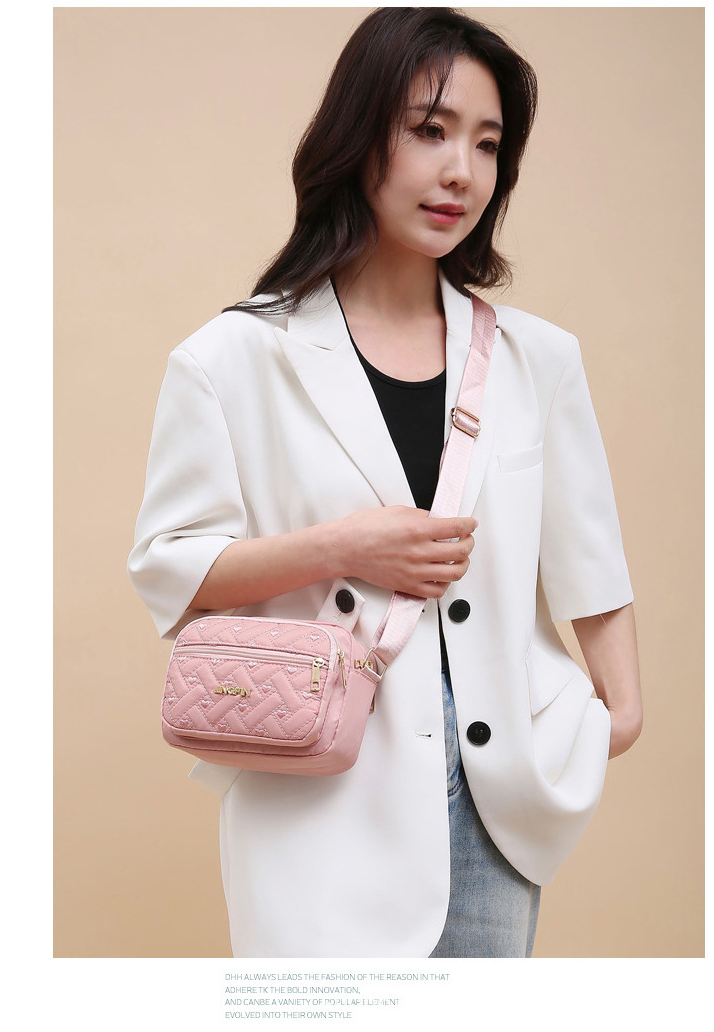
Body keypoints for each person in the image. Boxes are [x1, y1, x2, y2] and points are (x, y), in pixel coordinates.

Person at [128, 7, 642, 958]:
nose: (462, 172)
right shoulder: (232, 358)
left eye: (487, 145)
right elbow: (170, 568)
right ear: (359, 136)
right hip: (319, 787)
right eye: (430, 130)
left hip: (498, 799)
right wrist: (345, 548)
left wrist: (617, 712)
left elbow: (587, 551)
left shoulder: (537, 359)